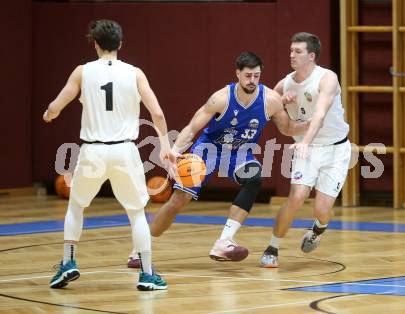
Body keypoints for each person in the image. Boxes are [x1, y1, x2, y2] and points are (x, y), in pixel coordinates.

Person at [127, 51, 309, 267]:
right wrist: (174, 151)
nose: (253, 81)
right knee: (178, 201)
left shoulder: (270, 100)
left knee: (254, 178)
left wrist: (311, 124)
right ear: (237, 74)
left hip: (240, 152)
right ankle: (140, 248)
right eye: (248, 75)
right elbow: (192, 127)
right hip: (209, 148)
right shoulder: (221, 98)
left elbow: (287, 128)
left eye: (257, 76)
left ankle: (224, 241)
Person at [43, 19, 175, 290]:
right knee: (136, 212)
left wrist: (49, 114)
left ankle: (68, 263)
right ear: (120, 44)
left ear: (95, 44)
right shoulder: (135, 73)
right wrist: (165, 146)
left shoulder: (83, 72)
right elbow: (158, 113)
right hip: (125, 150)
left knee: (76, 206)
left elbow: (57, 106)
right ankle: (147, 274)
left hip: (93, 150)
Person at [259, 32, 351, 268]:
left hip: (335, 150)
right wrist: (281, 103)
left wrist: (304, 141)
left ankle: (318, 229)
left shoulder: (327, 78)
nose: (292, 55)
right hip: (307, 150)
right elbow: (265, 105)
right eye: (291, 51)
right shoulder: (284, 84)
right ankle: (272, 248)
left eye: (298, 51)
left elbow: (319, 114)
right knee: (297, 196)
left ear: (311, 56)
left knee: (322, 209)